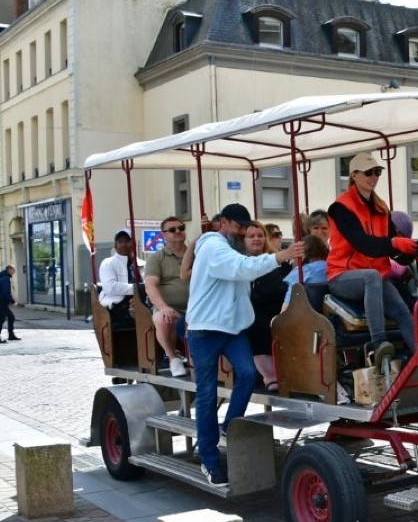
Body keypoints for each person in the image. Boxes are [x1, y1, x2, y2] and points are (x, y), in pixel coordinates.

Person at [187, 203, 303, 484]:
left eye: (245, 227)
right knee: (206, 394)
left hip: (232, 328)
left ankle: (229, 426)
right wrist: (281, 256)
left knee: (249, 375)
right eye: (239, 227)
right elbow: (241, 268)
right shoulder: (215, 247)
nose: (243, 233)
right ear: (224, 223)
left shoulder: (228, 246)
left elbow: (247, 265)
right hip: (204, 329)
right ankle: (209, 459)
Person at [327, 153, 418, 369]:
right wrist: (396, 244)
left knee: (402, 311)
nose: (374, 177)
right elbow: (364, 244)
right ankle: (378, 343)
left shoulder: (381, 207)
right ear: (354, 175)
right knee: (372, 277)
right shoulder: (340, 207)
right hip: (341, 276)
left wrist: (411, 254)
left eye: (377, 172)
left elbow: (391, 248)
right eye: (368, 173)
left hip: (374, 277)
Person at [244, 220, 291, 392]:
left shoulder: (278, 262)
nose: (256, 239)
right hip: (253, 310)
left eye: (260, 235)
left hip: (279, 307)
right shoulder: (240, 262)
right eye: (251, 236)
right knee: (256, 323)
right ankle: (269, 374)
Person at [143, 216, 190, 377]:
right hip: (171, 308)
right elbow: (150, 286)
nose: (178, 231)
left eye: (181, 228)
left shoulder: (195, 254)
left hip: (196, 307)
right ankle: (173, 358)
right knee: (163, 318)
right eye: (172, 229)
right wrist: (163, 307)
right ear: (164, 234)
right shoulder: (156, 258)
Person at [98, 229, 140, 329]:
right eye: (120, 241)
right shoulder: (108, 263)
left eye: (127, 241)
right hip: (117, 308)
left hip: (139, 305)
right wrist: (138, 289)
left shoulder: (142, 264)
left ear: (133, 244)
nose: (124, 244)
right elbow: (110, 287)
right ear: (115, 245)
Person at [282, 235, 330, 308]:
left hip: (306, 314)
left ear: (303, 253)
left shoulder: (301, 272)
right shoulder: (332, 268)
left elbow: (288, 303)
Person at [0, 264, 16, 342]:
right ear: (9, 269)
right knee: (4, 318)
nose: (14, 272)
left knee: (8, 317)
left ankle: (11, 335)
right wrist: (11, 300)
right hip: (2, 301)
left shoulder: (2, 276)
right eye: (13, 270)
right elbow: (6, 291)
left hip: (2, 301)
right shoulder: (5, 278)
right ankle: (11, 335)